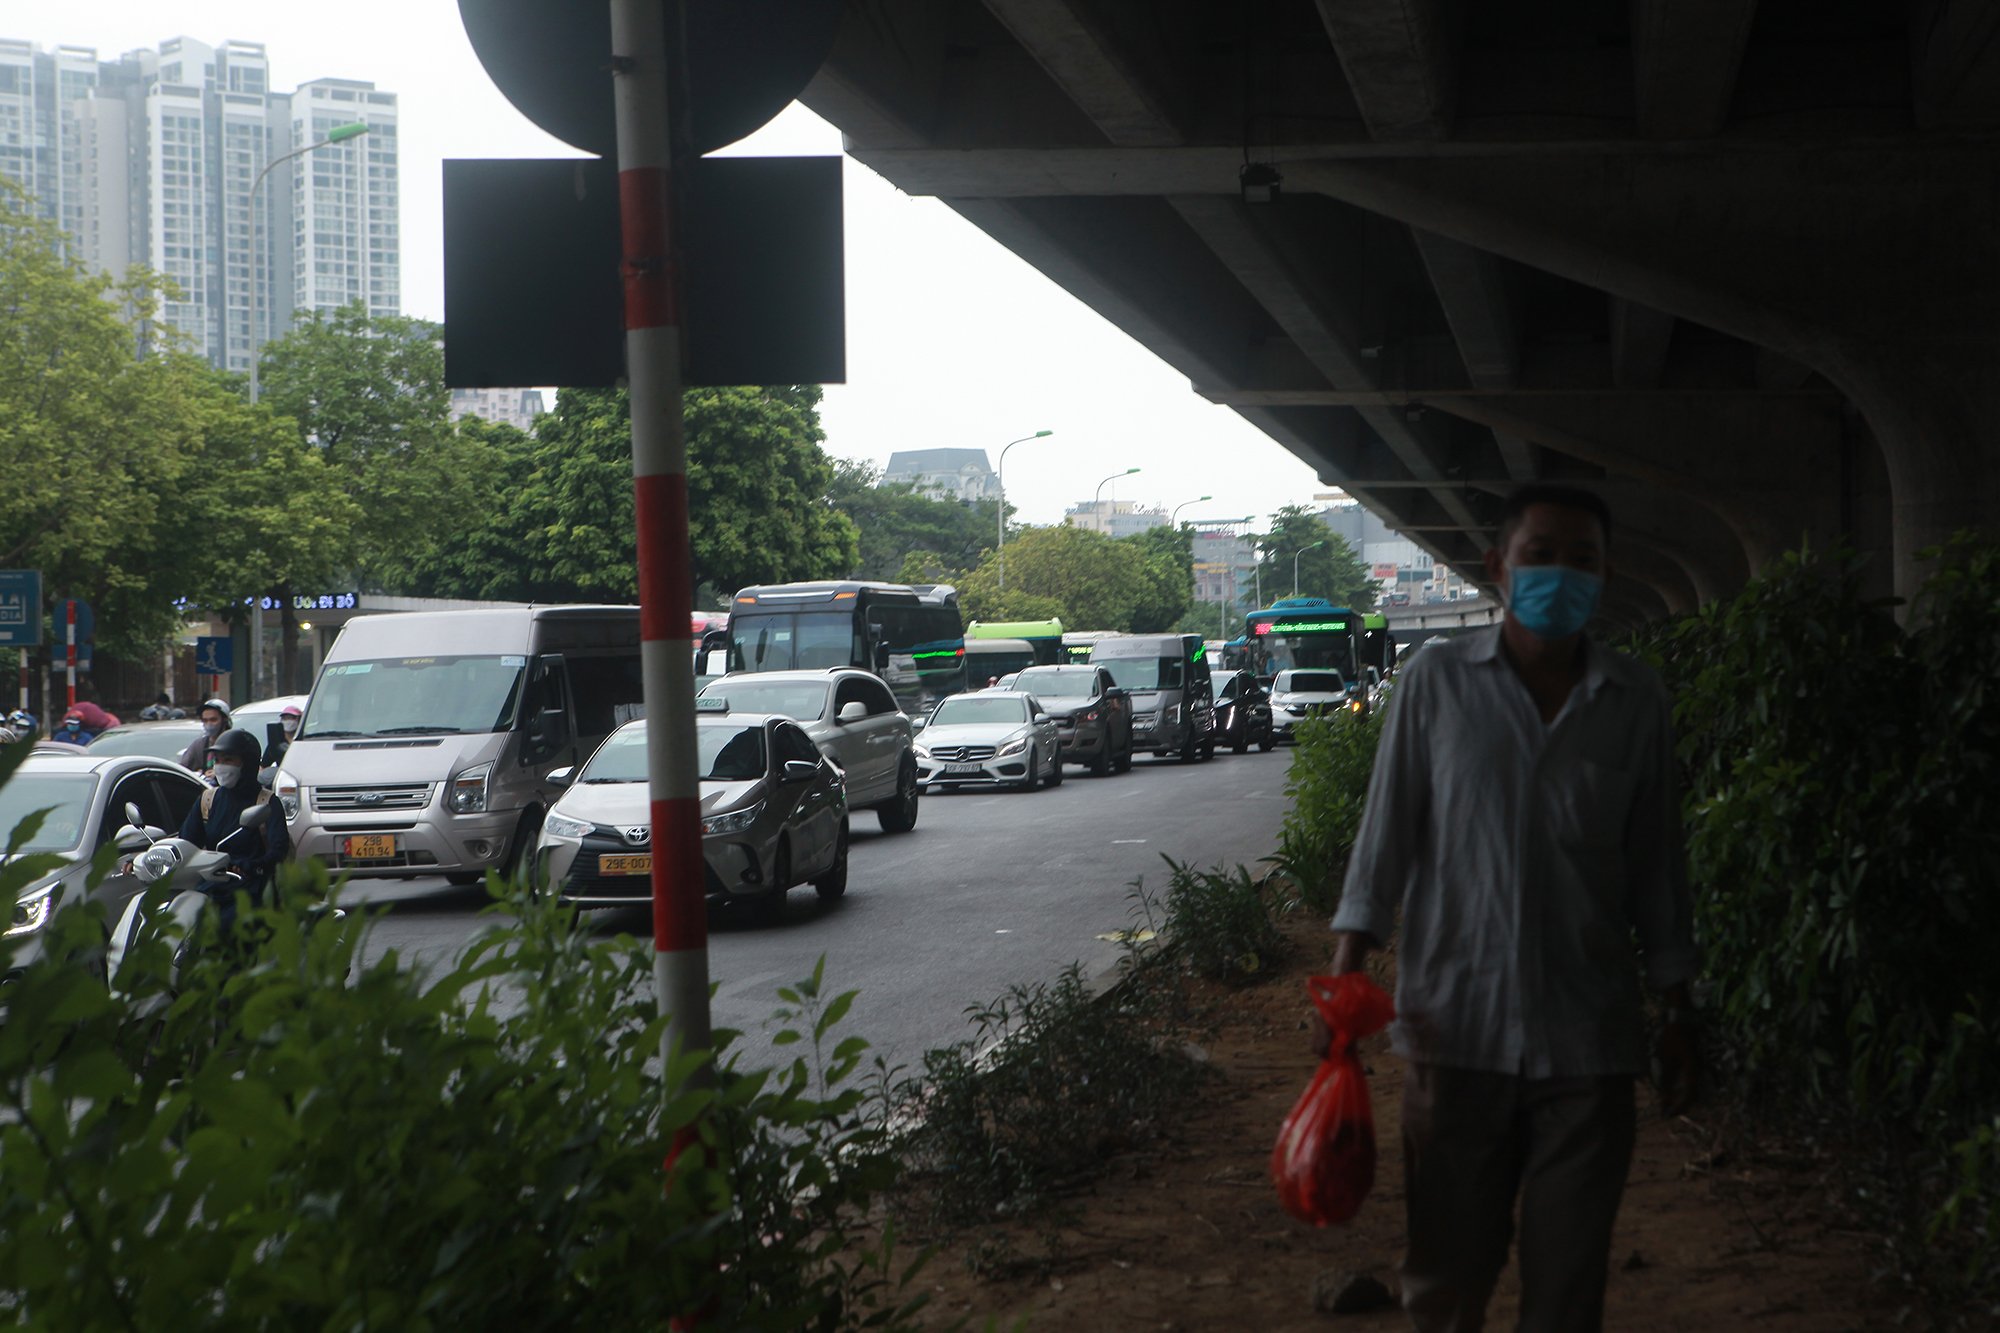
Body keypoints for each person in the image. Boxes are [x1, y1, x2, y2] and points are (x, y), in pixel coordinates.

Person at [1318, 483, 1697, 1333]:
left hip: (1590, 1048)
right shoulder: (1436, 684)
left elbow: (1657, 868)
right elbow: (1385, 841)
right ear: (1497, 567)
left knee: (1567, 1293)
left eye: (1582, 560)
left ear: (1606, 576)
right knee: (1447, 1283)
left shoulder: (1636, 702)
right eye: (1540, 555)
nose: (1561, 575)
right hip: (1456, 1040)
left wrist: (1678, 1007)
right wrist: (1346, 977)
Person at [177, 727, 290, 925]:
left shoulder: (266, 802)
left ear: (247, 764)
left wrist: (250, 866)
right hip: (212, 886)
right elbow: (186, 841)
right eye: (217, 760)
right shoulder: (208, 800)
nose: (220, 766)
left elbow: (278, 850)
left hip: (253, 891)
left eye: (228, 760)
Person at [179, 697, 232, 773]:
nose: (209, 724)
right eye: (205, 720)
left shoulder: (235, 743)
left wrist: (219, 773)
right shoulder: (199, 745)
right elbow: (183, 770)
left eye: (213, 720)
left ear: (224, 720)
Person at [261, 703, 302, 767]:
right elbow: (263, 767)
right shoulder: (276, 742)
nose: (287, 721)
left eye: (290, 718)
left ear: (299, 720)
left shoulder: (305, 739)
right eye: (284, 718)